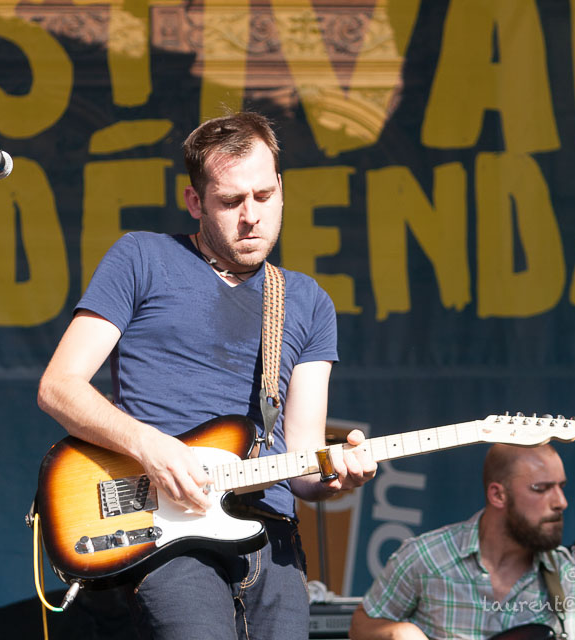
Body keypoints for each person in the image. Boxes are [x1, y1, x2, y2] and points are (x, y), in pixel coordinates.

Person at [37, 111, 377, 639]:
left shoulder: (307, 301)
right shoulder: (143, 257)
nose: (251, 216)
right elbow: (59, 387)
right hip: (169, 528)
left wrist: (337, 476)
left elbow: (305, 466)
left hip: (272, 538)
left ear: (281, 189)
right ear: (195, 202)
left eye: (264, 196)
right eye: (231, 201)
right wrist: (151, 447)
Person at [349, 444, 575, 640]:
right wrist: (398, 632)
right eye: (541, 488)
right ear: (498, 495)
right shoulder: (425, 556)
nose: (561, 502)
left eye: (561, 487)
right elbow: (360, 626)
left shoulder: (565, 574)